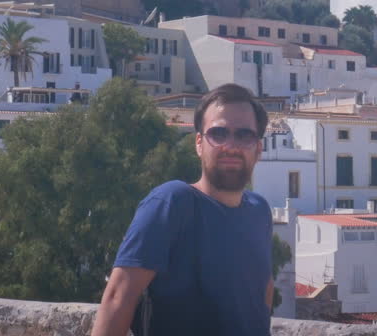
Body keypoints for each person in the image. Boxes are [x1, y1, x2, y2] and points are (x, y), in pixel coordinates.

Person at [91, 83, 273, 336]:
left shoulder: (259, 212)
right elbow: (118, 297)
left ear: (258, 149)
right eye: (218, 133)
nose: (231, 145)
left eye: (244, 135)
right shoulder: (171, 203)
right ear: (199, 143)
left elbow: (263, 293)